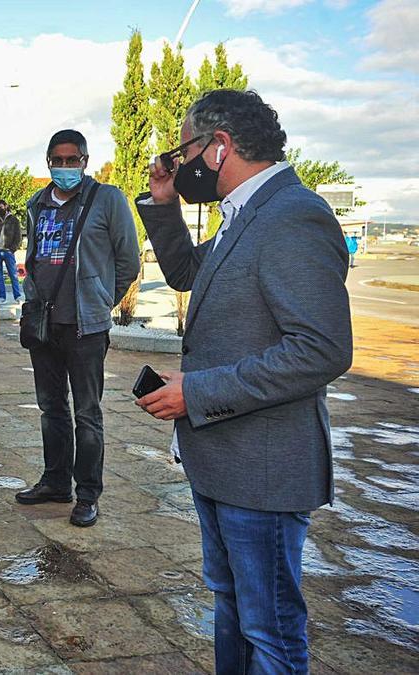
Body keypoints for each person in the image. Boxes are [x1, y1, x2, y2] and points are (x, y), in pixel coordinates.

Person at [135, 89, 352, 673]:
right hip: (225, 461)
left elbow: (322, 349)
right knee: (234, 607)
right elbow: (185, 273)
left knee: (271, 630)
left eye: (186, 153)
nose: (181, 166)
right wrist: (162, 204)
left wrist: (197, 391)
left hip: (263, 468)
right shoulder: (246, 214)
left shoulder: (292, 215)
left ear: (220, 147)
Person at [13, 130, 140, 528]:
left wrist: (102, 299)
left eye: (73, 159)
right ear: (48, 160)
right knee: (51, 408)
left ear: (85, 161)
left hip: (85, 325)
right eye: (58, 159)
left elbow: (128, 261)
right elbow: (33, 258)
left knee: (87, 412)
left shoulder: (107, 199)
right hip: (44, 324)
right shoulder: (37, 203)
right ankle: (54, 482)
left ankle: (87, 494)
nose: (65, 166)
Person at [0, 199, 23, 304]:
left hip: (8, 251)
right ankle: (2, 297)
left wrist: (13, 249)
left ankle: (17, 296)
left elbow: (18, 236)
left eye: (1, 206)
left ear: (6, 206)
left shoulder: (14, 219)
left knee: (13, 274)